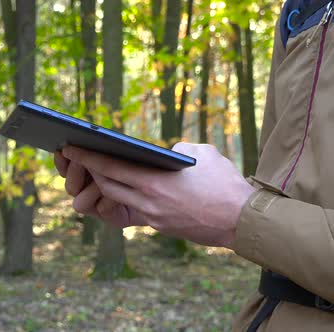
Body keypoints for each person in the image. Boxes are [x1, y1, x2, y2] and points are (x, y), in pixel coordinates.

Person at [54, 0, 334, 330]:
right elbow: (284, 189)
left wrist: (238, 216)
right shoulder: (303, 7)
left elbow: (257, 216)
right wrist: (167, 199)